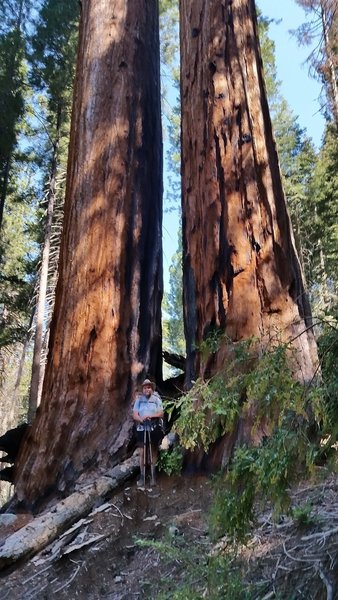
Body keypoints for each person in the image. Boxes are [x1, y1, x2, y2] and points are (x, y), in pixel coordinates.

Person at [133, 378, 164, 486]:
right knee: (142, 453)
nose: (147, 389)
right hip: (142, 428)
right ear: (143, 389)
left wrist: (150, 416)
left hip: (153, 427)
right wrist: (141, 419)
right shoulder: (139, 400)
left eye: (149, 387)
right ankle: (142, 477)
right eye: (146, 387)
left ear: (152, 389)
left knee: (153, 451)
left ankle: (153, 477)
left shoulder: (156, 399)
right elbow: (135, 414)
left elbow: (161, 413)